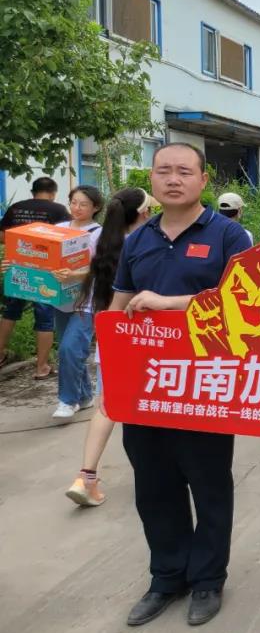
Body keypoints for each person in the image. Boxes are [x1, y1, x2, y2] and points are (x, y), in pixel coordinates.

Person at [110, 144, 250, 628]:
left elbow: (244, 304)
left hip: (205, 386)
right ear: (151, 179)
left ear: (203, 180)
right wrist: (108, 360)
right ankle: (166, 577)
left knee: (209, 486)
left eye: (184, 171)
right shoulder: (138, 240)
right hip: (146, 386)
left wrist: (170, 304)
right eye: (164, 171)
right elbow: (121, 304)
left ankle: (207, 579)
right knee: (154, 487)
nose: (174, 179)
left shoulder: (228, 235)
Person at [65, 187, 157, 507]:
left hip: (112, 336)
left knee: (107, 405)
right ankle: (158, 475)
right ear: (144, 214)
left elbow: (95, 283)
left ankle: (86, 477)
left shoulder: (103, 241)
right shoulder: (147, 244)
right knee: (153, 408)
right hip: (150, 339)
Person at [0, 176, 71, 376]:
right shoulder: (58, 210)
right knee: (45, 318)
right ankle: (41, 367)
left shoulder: (16, 208)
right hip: (45, 270)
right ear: (53, 193)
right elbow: (66, 239)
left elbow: (3, 236)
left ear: (33, 192)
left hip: (17, 266)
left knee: (10, 312)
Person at [51, 185, 105, 418]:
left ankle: (68, 401)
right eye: (73, 202)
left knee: (70, 348)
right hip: (60, 299)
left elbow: (101, 268)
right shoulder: (59, 228)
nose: (77, 208)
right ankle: (84, 396)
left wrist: (74, 275)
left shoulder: (100, 233)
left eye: (83, 204)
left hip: (87, 300)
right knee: (70, 351)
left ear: (96, 207)